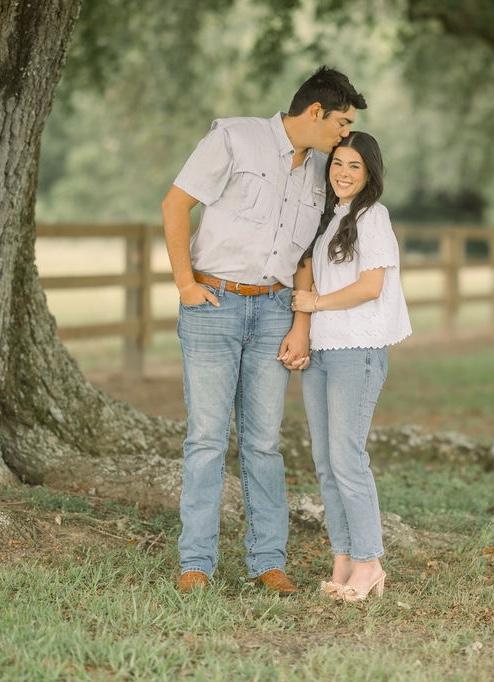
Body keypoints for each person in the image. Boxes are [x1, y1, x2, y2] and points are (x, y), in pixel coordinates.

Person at [161, 67, 367, 595]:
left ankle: (268, 561)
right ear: (316, 112)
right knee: (206, 439)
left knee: (263, 443)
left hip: (275, 309)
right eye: (342, 122)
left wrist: (301, 324)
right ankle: (196, 564)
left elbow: (307, 256)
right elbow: (176, 203)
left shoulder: (320, 170)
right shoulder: (234, 137)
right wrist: (185, 285)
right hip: (214, 304)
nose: (346, 134)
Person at [291, 132, 411, 602]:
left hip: (356, 351)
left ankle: (368, 563)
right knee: (325, 462)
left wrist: (315, 303)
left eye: (354, 166)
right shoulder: (330, 218)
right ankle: (342, 557)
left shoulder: (372, 217)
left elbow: (370, 287)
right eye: (337, 163)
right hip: (323, 351)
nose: (342, 172)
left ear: (369, 173)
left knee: (347, 458)